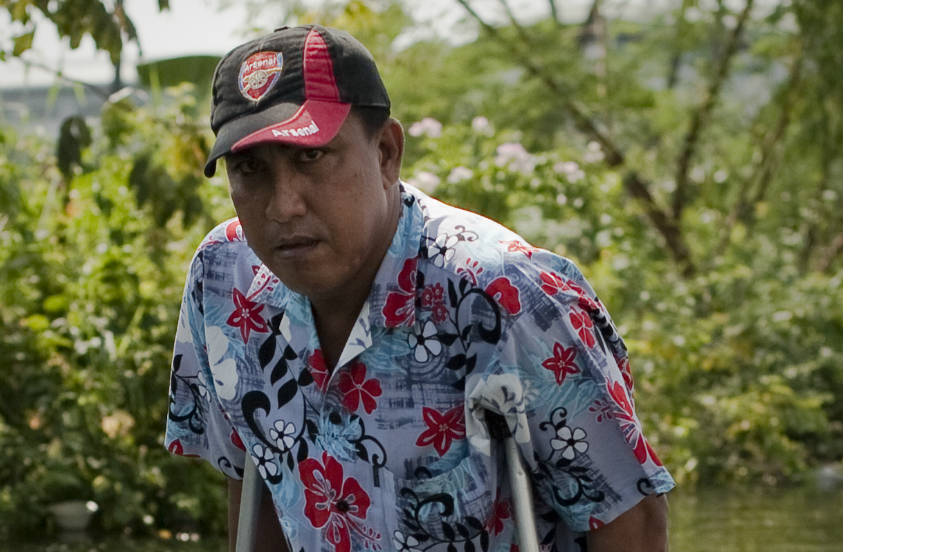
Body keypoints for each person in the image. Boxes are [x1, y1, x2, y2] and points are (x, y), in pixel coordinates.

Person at [165, 24, 674, 552]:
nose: (283, 205)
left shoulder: (508, 294)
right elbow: (252, 481)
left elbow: (629, 516)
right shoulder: (225, 280)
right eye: (250, 169)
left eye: (311, 158)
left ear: (386, 152)